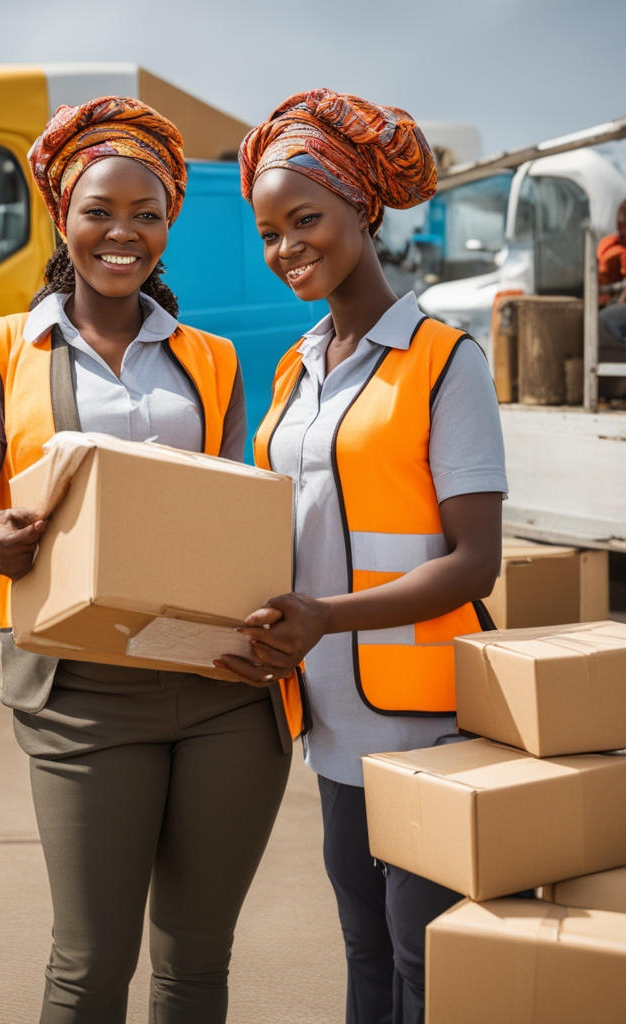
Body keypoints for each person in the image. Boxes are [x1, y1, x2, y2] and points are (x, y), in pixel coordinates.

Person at [0, 96, 292, 1024]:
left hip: (222, 692)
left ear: (168, 227)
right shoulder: (2, 351)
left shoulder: (212, 359)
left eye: (147, 214)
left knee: (198, 965)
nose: (123, 234)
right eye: (100, 211)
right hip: (81, 699)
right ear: (63, 220)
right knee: (89, 967)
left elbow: (235, 515)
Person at [217, 89, 507, 1024]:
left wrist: (328, 617)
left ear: (361, 210)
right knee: (363, 946)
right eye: (269, 232)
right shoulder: (297, 366)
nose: (286, 247)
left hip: (425, 719)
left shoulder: (443, 360)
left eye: (306, 219)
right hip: (329, 714)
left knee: (422, 954)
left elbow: (475, 563)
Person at [598, 197, 626, 352]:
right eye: (620, 226)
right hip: (606, 302)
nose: (621, 231)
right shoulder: (610, 246)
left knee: (605, 320)